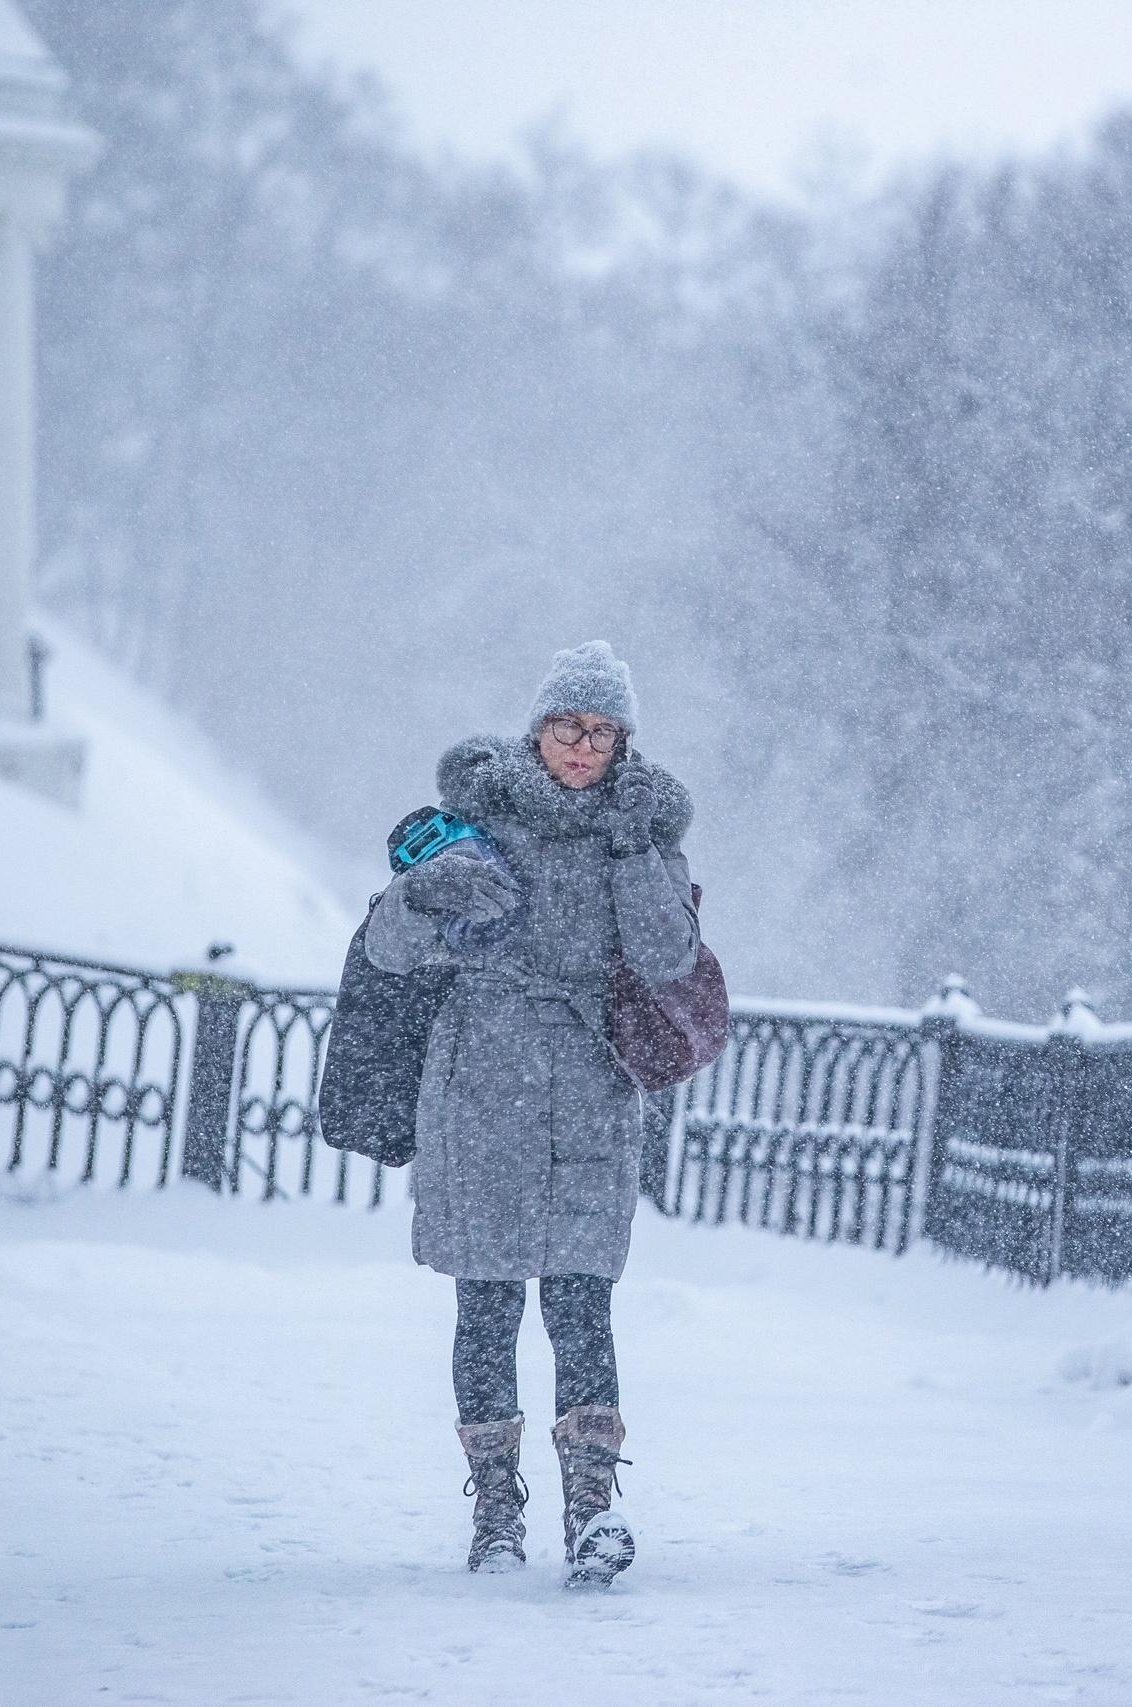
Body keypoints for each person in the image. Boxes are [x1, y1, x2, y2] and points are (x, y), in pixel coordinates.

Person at [360, 640, 697, 1587]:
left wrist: (633, 850)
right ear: (537, 726)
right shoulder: (480, 814)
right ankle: (497, 1510)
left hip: (591, 1091)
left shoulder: (642, 831)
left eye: (602, 732)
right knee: (490, 1298)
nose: (583, 748)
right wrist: (425, 894)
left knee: (583, 1300)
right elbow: (388, 950)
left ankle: (592, 1510)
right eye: (567, 726)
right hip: (482, 1088)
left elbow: (671, 956)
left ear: (623, 741)